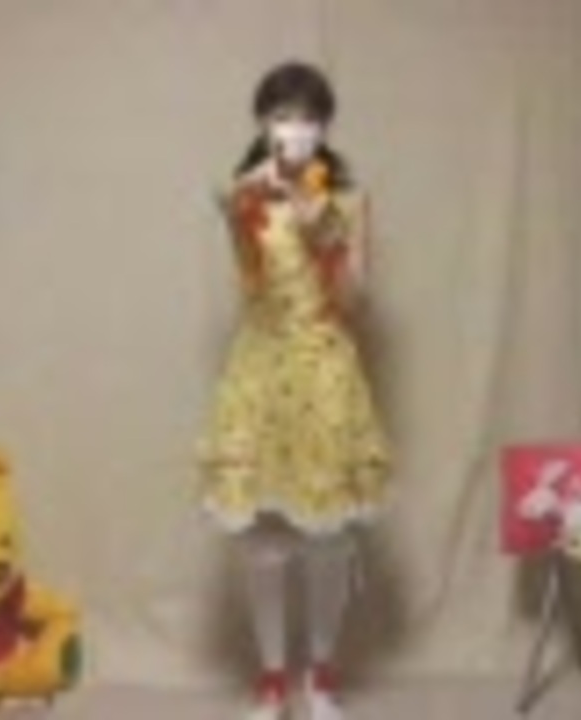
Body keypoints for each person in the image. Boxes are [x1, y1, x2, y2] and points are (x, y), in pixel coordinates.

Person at [198, 61, 391, 720]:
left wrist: (323, 225)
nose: (295, 128)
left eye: (308, 117)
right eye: (282, 115)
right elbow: (248, 274)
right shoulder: (246, 196)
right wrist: (249, 199)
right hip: (259, 370)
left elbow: (356, 302)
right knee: (261, 537)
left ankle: (322, 679)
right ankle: (272, 681)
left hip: (324, 369)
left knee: (327, 537)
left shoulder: (348, 200)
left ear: (326, 128)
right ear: (262, 123)